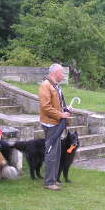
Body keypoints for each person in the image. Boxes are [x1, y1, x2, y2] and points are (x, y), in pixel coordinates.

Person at [39, 63, 71, 191]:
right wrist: (61, 114)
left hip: (56, 123)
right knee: (52, 152)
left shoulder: (55, 86)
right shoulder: (45, 86)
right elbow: (46, 107)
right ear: (55, 72)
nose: (63, 75)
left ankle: (53, 179)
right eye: (61, 72)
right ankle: (48, 182)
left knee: (56, 153)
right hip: (50, 124)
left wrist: (66, 110)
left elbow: (57, 104)